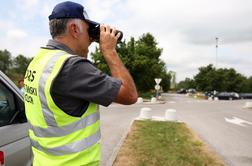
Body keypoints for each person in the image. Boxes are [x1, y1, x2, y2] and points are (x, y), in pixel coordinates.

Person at [24, 1, 138, 166]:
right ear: (74, 29)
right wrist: (109, 51)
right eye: (87, 30)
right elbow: (130, 95)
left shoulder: (39, 61)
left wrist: (82, 48)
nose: (91, 38)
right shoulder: (72, 67)